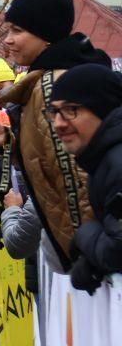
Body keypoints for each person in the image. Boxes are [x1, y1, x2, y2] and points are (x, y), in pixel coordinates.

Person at [0, 0, 111, 271]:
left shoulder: (50, 87)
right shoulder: (49, 80)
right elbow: (47, 160)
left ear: (45, 34)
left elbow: (71, 180)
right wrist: (7, 143)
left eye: (17, 30)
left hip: (85, 262)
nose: (7, 40)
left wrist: (85, 255)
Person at [42, 64, 122, 292]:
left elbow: (118, 248)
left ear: (102, 109)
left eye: (71, 109)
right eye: (54, 112)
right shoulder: (102, 159)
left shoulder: (117, 164)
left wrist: (85, 236)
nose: (59, 123)